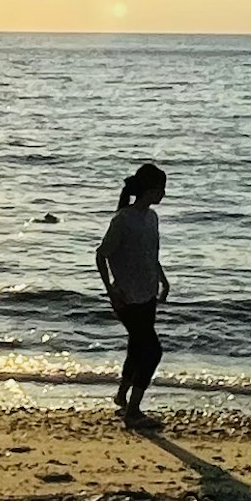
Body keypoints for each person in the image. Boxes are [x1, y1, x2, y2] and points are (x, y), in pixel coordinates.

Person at [97, 161, 170, 421]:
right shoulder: (123, 219)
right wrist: (111, 291)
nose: (164, 194)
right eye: (161, 189)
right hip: (126, 297)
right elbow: (101, 255)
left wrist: (163, 279)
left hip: (147, 292)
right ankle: (133, 411)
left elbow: (150, 254)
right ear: (149, 190)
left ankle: (122, 396)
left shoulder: (151, 217)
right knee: (152, 351)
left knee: (137, 347)